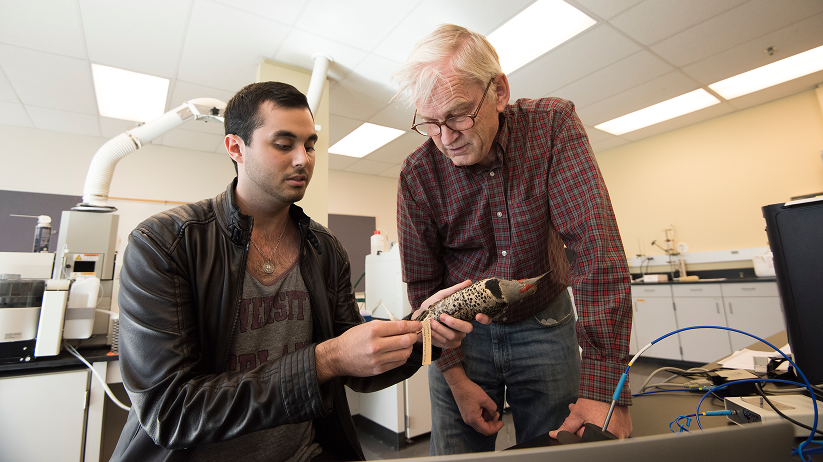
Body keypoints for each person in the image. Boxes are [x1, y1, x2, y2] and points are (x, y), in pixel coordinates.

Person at [110, 81, 479, 462]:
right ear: (236, 148)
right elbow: (171, 412)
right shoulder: (164, 245)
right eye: (284, 144)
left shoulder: (324, 249)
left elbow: (356, 366)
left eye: (310, 144)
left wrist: (423, 333)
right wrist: (324, 360)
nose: (303, 159)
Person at [392, 24, 634, 455]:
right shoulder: (417, 176)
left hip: (546, 322)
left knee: (557, 451)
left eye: (458, 115)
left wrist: (604, 388)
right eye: (429, 122)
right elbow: (423, 290)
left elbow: (594, 249)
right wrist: (456, 379)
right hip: (460, 340)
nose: (446, 138)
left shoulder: (552, 126)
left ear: (499, 92)